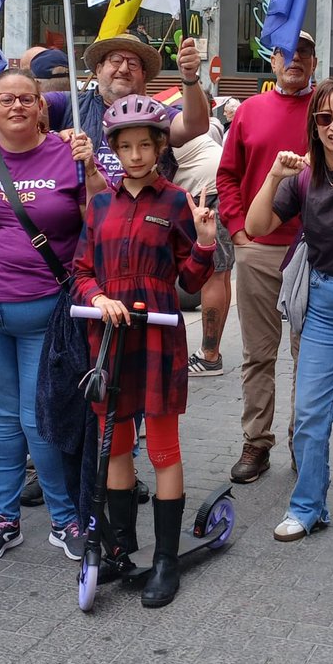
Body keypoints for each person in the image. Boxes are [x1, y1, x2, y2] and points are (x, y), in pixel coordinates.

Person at [0, 67, 105, 565]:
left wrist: (92, 171)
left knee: (38, 419)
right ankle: (4, 518)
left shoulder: (70, 153)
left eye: (27, 98)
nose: (16, 106)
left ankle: (65, 520)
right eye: (5, 99)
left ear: (43, 106)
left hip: (44, 310)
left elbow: (103, 217)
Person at [73, 95, 217, 608]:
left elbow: (191, 281)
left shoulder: (176, 201)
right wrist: (98, 297)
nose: (135, 155)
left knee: (161, 447)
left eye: (145, 145)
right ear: (113, 149)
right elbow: (81, 270)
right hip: (108, 340)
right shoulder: (98, 205)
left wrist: (203, 242)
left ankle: (164, 559)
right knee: (113, 444)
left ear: (160, 147)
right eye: (125, 146)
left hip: (157, 336)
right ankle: (119, 549)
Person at [245, 79, 333, 553]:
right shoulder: (304, 175)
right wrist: (273, 177)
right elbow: (256, 226)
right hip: (323, 301)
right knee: (309, 415)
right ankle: (308, 506)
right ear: (313, 124)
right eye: (324, 118)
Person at [216, 32, 318, 483]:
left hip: (313, 252)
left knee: (308, 356)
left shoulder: (328, 112)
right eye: (285, 52)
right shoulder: (250, 112)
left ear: (314, 61)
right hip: (257, 251)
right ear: (272, 60)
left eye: (303, 52)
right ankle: (257, 442)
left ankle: (304, 440)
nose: (294, 59)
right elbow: (227, 175)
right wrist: (237, 230)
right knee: (259, 354)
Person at [43, 33, 210, 183]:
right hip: (84, 214)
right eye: (115, 60)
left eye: (133, 64)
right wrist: (55, 137)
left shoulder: (156, 113)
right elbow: (26, 109)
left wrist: (189, 77)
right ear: (98, 69)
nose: (123, 69)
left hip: (145, 213)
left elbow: (195, 126)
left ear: (143, 76)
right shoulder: (68, 104)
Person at [171, 107, 233, 378]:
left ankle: (209, 356)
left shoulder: (157, 124)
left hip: (207, 194)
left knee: (213, 276)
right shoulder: (176, 120)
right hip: (221, 188)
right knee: (222, 274)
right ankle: (212, 352)